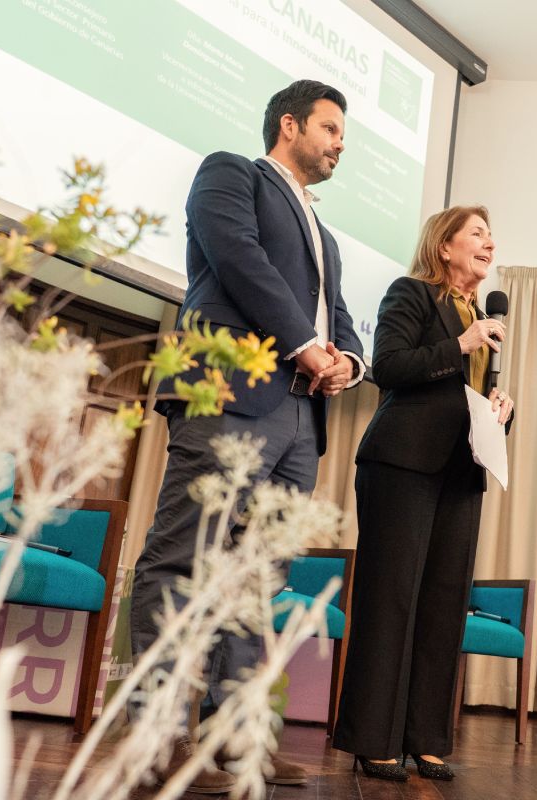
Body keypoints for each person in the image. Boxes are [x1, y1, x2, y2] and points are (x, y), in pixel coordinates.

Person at [130, 79, 366, 793]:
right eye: (329, 128)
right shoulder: (230, 172)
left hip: (301, 420)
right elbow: (238, 258)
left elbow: (340, 315)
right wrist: (303, 343)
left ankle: (233, 739)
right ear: (288, 125)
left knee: (255, 581)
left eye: (343, 135)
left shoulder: (325, 235)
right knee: (183, 558)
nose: (339, 144)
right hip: (233, 393)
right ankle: (158, 736)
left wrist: (347, 360)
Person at [332, 205, 514, 782]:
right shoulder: (411, 293)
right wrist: (460, 344)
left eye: (492, 236)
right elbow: (387, 366)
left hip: (461, 468)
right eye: (477, 234)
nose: (489, 243)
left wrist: (500, 412)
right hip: (402, 463)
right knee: (391, 600)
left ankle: (426, 739)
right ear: (445, 246)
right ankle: (373, 739)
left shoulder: (481, 313)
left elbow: (470, 397)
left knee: (443, 602)